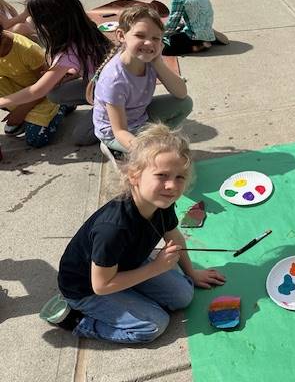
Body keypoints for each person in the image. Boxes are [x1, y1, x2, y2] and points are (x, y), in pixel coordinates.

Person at [52, 123, 226, 343]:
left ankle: (133, 292)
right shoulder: (113, 229)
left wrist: (192, 273)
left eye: (180, 177)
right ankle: (79, 322)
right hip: (87, 289)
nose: (172, 185)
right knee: (153, 325)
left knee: (184, 296)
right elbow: (101, 285)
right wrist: (156, 267)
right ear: (134, 175)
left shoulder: (161, 203)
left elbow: (175, 237)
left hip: (127, 265)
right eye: (162, 175)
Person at [90, 5, 193, 161]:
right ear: (121, 35)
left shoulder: (149, 60)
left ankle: (151, 142)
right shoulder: (114, 79)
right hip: (115, 133)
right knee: (156, 158)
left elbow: (181, 93)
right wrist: (149, 151)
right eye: (140, 35)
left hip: (140, 117)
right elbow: (119, 131)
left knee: (185, 104)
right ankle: (114, 149)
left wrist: (158, 62)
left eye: (155, 38)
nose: (148, 43)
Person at [24, 0, 113, 145]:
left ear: (52, 21)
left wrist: (3, 101)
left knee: (81, 137)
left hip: (117, 98)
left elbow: (37, 90)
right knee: (55, 94)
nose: (31, 21)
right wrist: (73, 73)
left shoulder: (67, 51)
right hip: (102, 87)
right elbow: (88, 63)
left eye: (37, 18)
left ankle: (126, 116)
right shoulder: (83, 29)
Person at [0, 22, 67, 147]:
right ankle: (30, 117)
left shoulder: (27, 50)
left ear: (2, 38)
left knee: (36, 139)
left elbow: (47, 85)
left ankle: (64, 105)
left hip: (44, 92)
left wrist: (21, 111)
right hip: (20, 90)